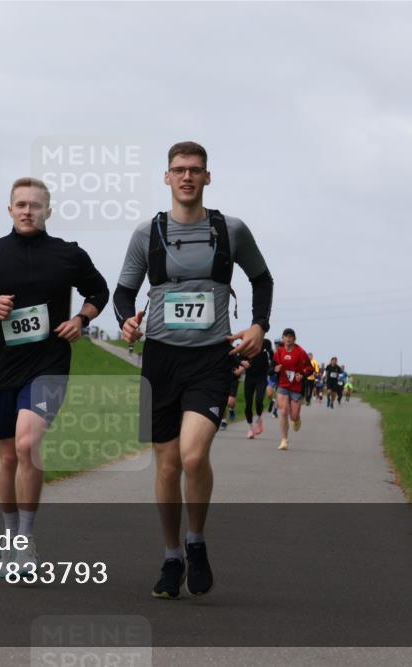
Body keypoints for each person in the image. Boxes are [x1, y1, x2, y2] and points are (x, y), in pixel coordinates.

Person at [115, 141, 273, 599]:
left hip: (210, 358)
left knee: (192, 455)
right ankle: (171, 557)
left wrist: (259, 325)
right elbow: (123, 292)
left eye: (195, 170)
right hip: (161, 359)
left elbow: (261, 278)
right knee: (166, 467)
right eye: (179, 169)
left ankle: (196, 540)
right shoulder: (147, 234)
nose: (187, 176)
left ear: (207, 177)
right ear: (166, 177)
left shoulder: (230, 230)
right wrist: (126, 320)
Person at [0, 177, 109, 576]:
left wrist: (80, 320)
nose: (27, 211)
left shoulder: (68, 254)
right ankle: (10, 538)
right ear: (10, 209)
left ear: (48, 211)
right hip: (3, 368)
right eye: (21, 204)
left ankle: (26, 541)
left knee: (26, 443)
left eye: (35, 205)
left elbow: (98, 291)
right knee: (6, 456)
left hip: (49, 364)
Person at [273, 328, 313, 451]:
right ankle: (284, 440)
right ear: (283, 338)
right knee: (283, 411)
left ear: (294, 339)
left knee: (293, 416)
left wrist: (303, 375)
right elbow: (272, 366)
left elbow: (310, 368)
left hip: (296, 387)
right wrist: (275, 369)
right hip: (283, 385)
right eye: (286, 336)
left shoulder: (300, 352)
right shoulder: (279, 352)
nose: (288, 339)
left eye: (291, 336)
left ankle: (297, 419)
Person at [244, 338, 272, 438]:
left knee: (259, 400)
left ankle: (259, 418)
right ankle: (251, 429)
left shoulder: (266, 343)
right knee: (248, 404)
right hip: (249, 378)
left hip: (262, 378)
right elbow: (239, 357)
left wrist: (272, 369)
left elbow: (273, 358)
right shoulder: (249, 344)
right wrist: (243, 363)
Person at [266, 339, 281, 417]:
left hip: (280, 377)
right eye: (275, 344)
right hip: (272, 376)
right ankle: (272, 400)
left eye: (278, 344)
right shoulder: (272, 353)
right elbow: (269, 365)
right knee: (269, 393)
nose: (277, 345)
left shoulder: (284, 353)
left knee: (278, 394)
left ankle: (275, 411)